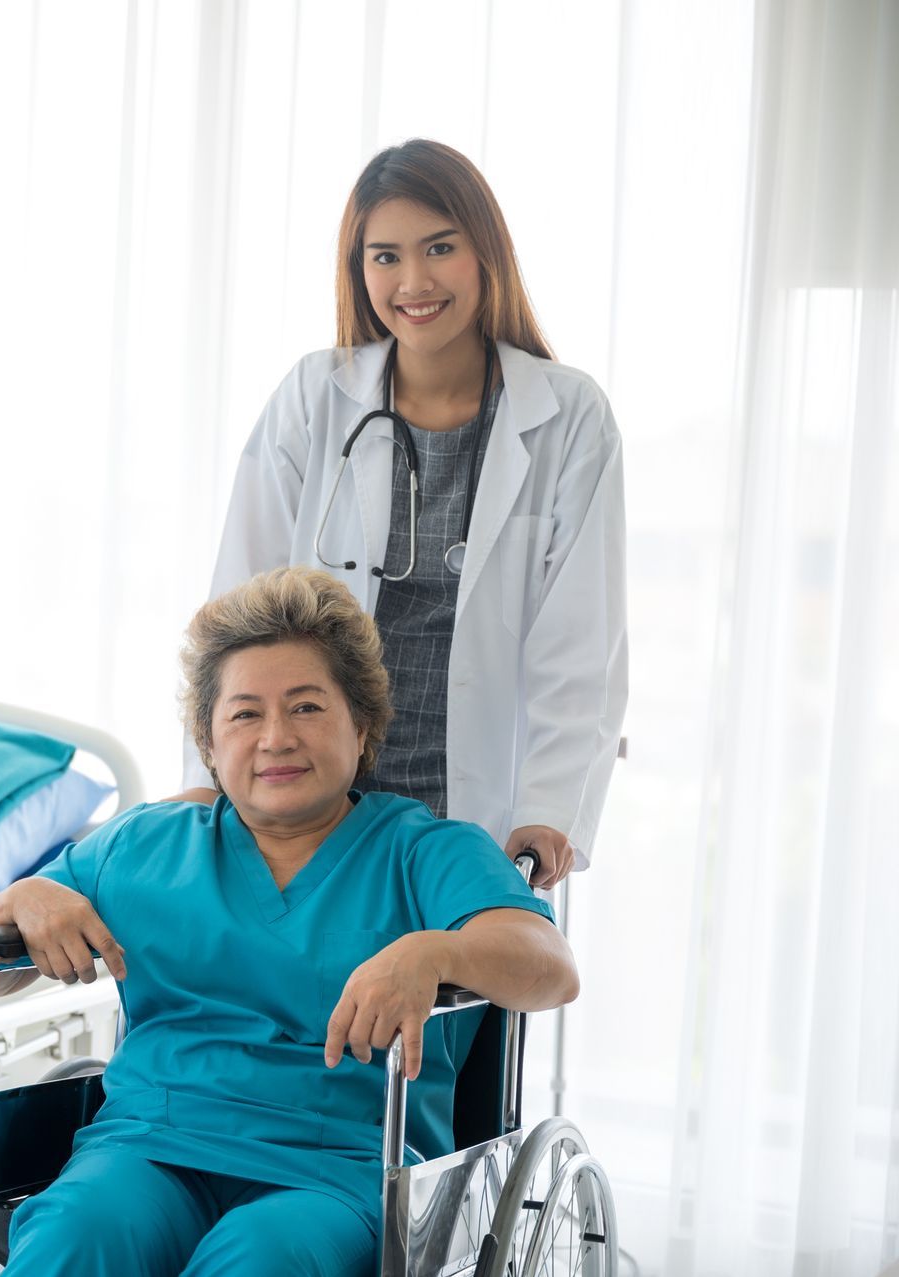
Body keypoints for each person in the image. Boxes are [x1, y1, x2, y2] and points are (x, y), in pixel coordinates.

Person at [0, 567, 578, 1276]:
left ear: (361, 725)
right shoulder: (147, 844)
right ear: (210, 743)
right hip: (148, 1148)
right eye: (245, 713)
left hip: (338, 1169)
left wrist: (433, 952)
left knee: (260, 1259)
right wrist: (24, 894)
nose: (276, 737)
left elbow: (549, 966)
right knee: (75, 1234)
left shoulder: (424, 851)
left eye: (306, 707)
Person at [177, 139, 626, 888]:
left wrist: (551, 807)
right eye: (384, 256)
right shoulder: (314, 397)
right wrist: (206, 779)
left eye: (439, 248)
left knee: (449, 992)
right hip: (311, 798)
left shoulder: (567, 416)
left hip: (469, 811)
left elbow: (581, 644)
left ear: (486, 252)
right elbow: (235, 611)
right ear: (358, 270)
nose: (412, 281)